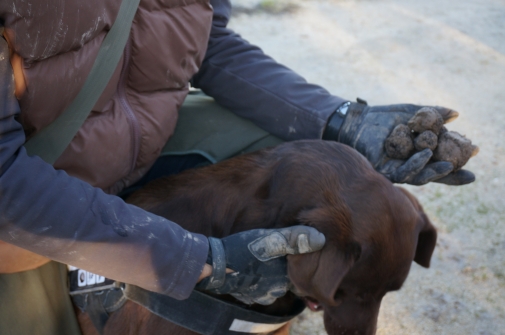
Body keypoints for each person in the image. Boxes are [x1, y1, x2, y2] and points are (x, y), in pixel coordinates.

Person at [0, 0, 475, 334]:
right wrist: (204, 262)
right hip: (27, 196)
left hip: (140, 150)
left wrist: (343, 123)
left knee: (312, 171)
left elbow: (211, 44)